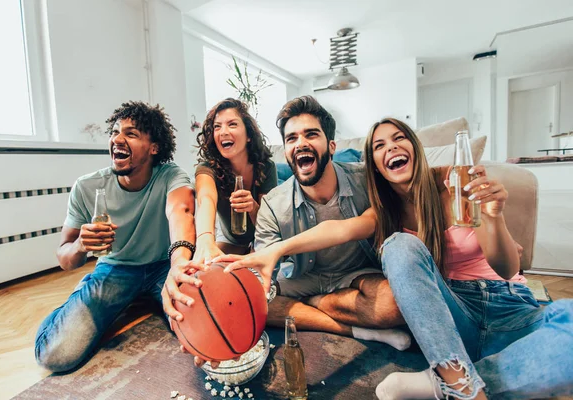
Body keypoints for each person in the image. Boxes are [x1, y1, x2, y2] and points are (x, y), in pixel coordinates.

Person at [221, 117, 573, 399]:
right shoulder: (384, 212)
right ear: (374, 163)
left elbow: (509, 268)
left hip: (511, 308)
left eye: (398, 138)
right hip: (452, 315)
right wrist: (275, 251)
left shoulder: (452, 186)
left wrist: (493, 215)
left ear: (414, 147)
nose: (391, 147)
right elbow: (339, 231)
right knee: (399, 246)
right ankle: (461, 379)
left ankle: (443, 383)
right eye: (379, 145)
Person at [216, 96, 410, 352]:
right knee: (249, 302)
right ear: (285, 152)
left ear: (331, 146)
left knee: (393, 304)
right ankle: (352, 328)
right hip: (301, 279)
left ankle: (315, 302)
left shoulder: (367, 181)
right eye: (291, 138)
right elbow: (265, 274)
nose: (301, 143)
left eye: (311, 134)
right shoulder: (273, 204)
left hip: (354, 276)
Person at [34, 101, 201, 373]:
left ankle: (142, 298)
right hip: (115, 269)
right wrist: (80, 245)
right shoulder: (87, 187)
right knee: (55, 354)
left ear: (154, 147)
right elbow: (65, 259)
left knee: (205, 328)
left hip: (163, 267)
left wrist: (179, 264)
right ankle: (74, 309)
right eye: (114, 131)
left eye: (131, 133)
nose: (117, 139)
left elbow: (181, 211)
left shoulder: (170, 176)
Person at [193, 98, 277, 262]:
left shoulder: (266, 167)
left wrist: (252, 207)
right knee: (209, 266)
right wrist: (204, 239)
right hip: (231, 241)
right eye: (217, 126)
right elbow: (206, 199)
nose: (223, 131)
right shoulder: (207, 169)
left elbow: (270, 225)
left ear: (248, 136)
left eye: (232, 124)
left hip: (263, 239)